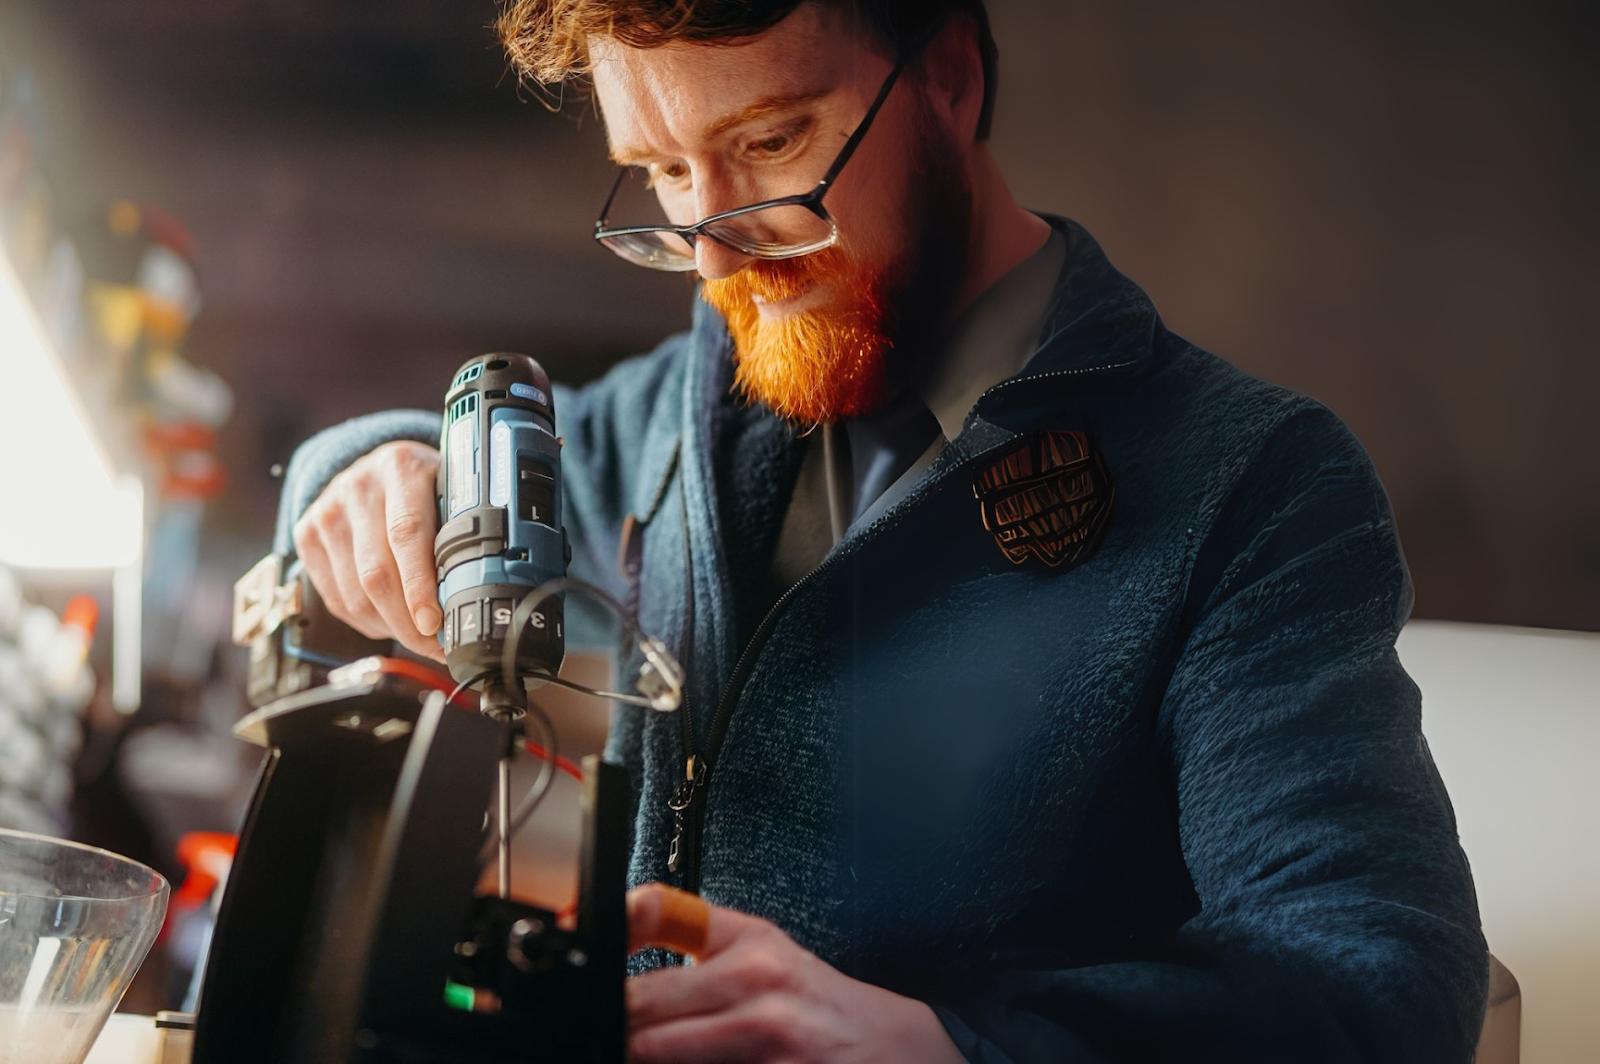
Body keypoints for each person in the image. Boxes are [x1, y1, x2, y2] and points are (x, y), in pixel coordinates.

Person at [279, 2, 1490, 1060]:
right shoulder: (664, 419)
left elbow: (1374, 977)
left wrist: (954, 1045)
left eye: (769, 143)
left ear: (950, 77)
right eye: (658, 170)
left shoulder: (1250, 484)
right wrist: (370, 469)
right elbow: (423, 475)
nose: (713, 246)